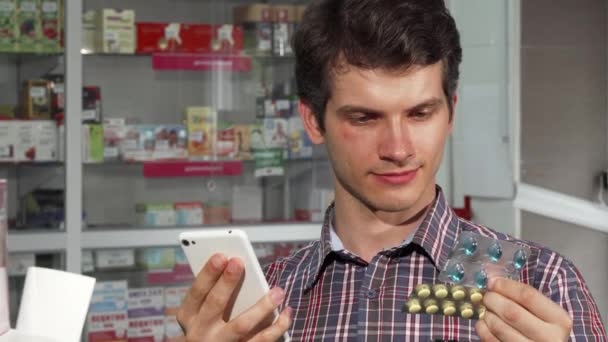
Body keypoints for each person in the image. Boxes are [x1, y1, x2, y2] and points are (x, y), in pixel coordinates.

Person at [177, 0, 607, 340]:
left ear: (450, 113)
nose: (398, 149)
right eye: (364, 118)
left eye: (420, 113)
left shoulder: (543, 284)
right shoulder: (256, 306)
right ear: (313, 121)